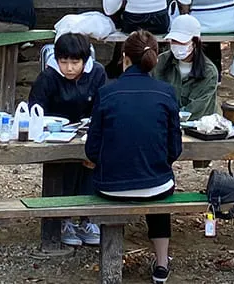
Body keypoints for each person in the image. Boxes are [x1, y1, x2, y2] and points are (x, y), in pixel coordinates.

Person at [85, 31, 181, 284]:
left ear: (124, 58)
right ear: (155, 59)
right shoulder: (166, 92)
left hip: (111, 187)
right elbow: (175, 150)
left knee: (148, 178)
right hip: (158, 185)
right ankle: (161, 263)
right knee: (158, 184)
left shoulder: (107, 92)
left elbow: (91, 150)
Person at [28, 31, 108, 248]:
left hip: (87, 133)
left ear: (85, 60)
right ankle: (64, 219)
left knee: (90, 164)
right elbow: (35, 109)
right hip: (54, 135)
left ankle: (87, 218)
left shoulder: (97, 73)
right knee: (64, 169)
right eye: (64, 62)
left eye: (75, 62)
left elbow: (103, 107)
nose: (70, 68)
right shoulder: (48, 77)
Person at [156, 14, 222, 118]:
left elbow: (196, 109)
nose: (176, 45)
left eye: (181, 42)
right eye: (173, 41)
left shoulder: (209, 71)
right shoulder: (160, 62)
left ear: (195, 43)